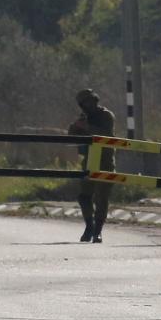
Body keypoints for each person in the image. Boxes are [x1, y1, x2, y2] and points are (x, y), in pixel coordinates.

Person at [67, 89, 115, 243]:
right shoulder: (84, 117)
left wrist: (87, 127)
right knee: (84, 196)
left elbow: (106, 135)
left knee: (102, 197)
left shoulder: (106, 116)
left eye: (90, 101)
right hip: (88, 161)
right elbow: (71, 138)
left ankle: (98, 230)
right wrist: (76, 126)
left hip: (105, 161)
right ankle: (89, 226)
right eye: (85, 103)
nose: (88, 105)